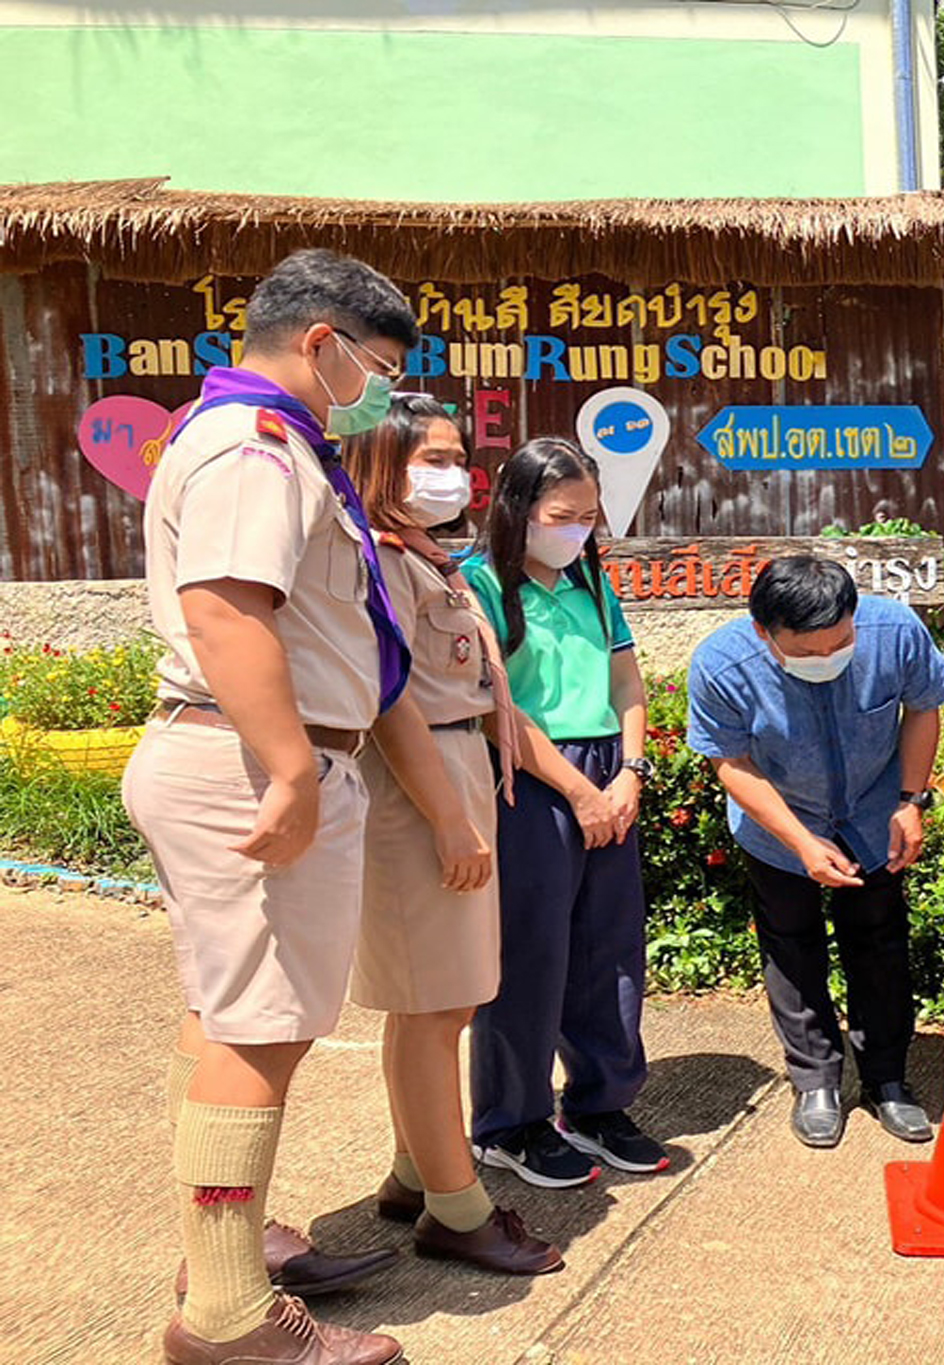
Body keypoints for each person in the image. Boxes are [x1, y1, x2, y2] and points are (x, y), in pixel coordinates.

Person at [122, 249, 413, 1365]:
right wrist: (293, 770)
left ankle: (227, 1250)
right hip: (255, 764)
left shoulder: (257, 441)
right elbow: (229, 616)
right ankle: (232, 1321)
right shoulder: (256, 450)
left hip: (245, 757)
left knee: (230, 1017)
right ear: (323, 345)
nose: (380, 394)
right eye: (378, 369)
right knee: (260, 1025)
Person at [339, 396, 561, 1275]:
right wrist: (449, 819)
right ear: (377, 463)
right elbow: (393, 703)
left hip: (456, 767)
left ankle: (413, 1170)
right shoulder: (380, 561)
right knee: (433, 1007)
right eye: (429, 455)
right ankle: (457, 1208)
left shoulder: (432, 559)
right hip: (419, 785)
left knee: (448, 998)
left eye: (458, 455)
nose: (451, 471)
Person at [687, 556, 944, 1149]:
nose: (827, 660)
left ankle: (888, 1077)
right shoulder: (721, 663)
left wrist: (912, 800)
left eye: (840, 644)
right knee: (791, 948)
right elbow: (731, 763)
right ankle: (815, 1081)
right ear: (764, 632)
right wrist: (800, 841)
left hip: (874, 816)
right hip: (779, 826)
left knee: (882, 943)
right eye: (807, 654)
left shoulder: (895, 633)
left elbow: (923, 708)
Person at [463, 438, 668, 1187]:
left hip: (610, 770)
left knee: (609, 948)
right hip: (530, 779)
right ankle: (509, 1121)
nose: (578, 528)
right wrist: (577, 791)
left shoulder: (590, 576)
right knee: (531, 952)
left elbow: (626, 676)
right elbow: (495, 706)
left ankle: (599, 1103)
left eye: (588, 515)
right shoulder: (475, 585)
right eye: (561, 514)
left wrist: (629, 773)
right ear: (517, 508)